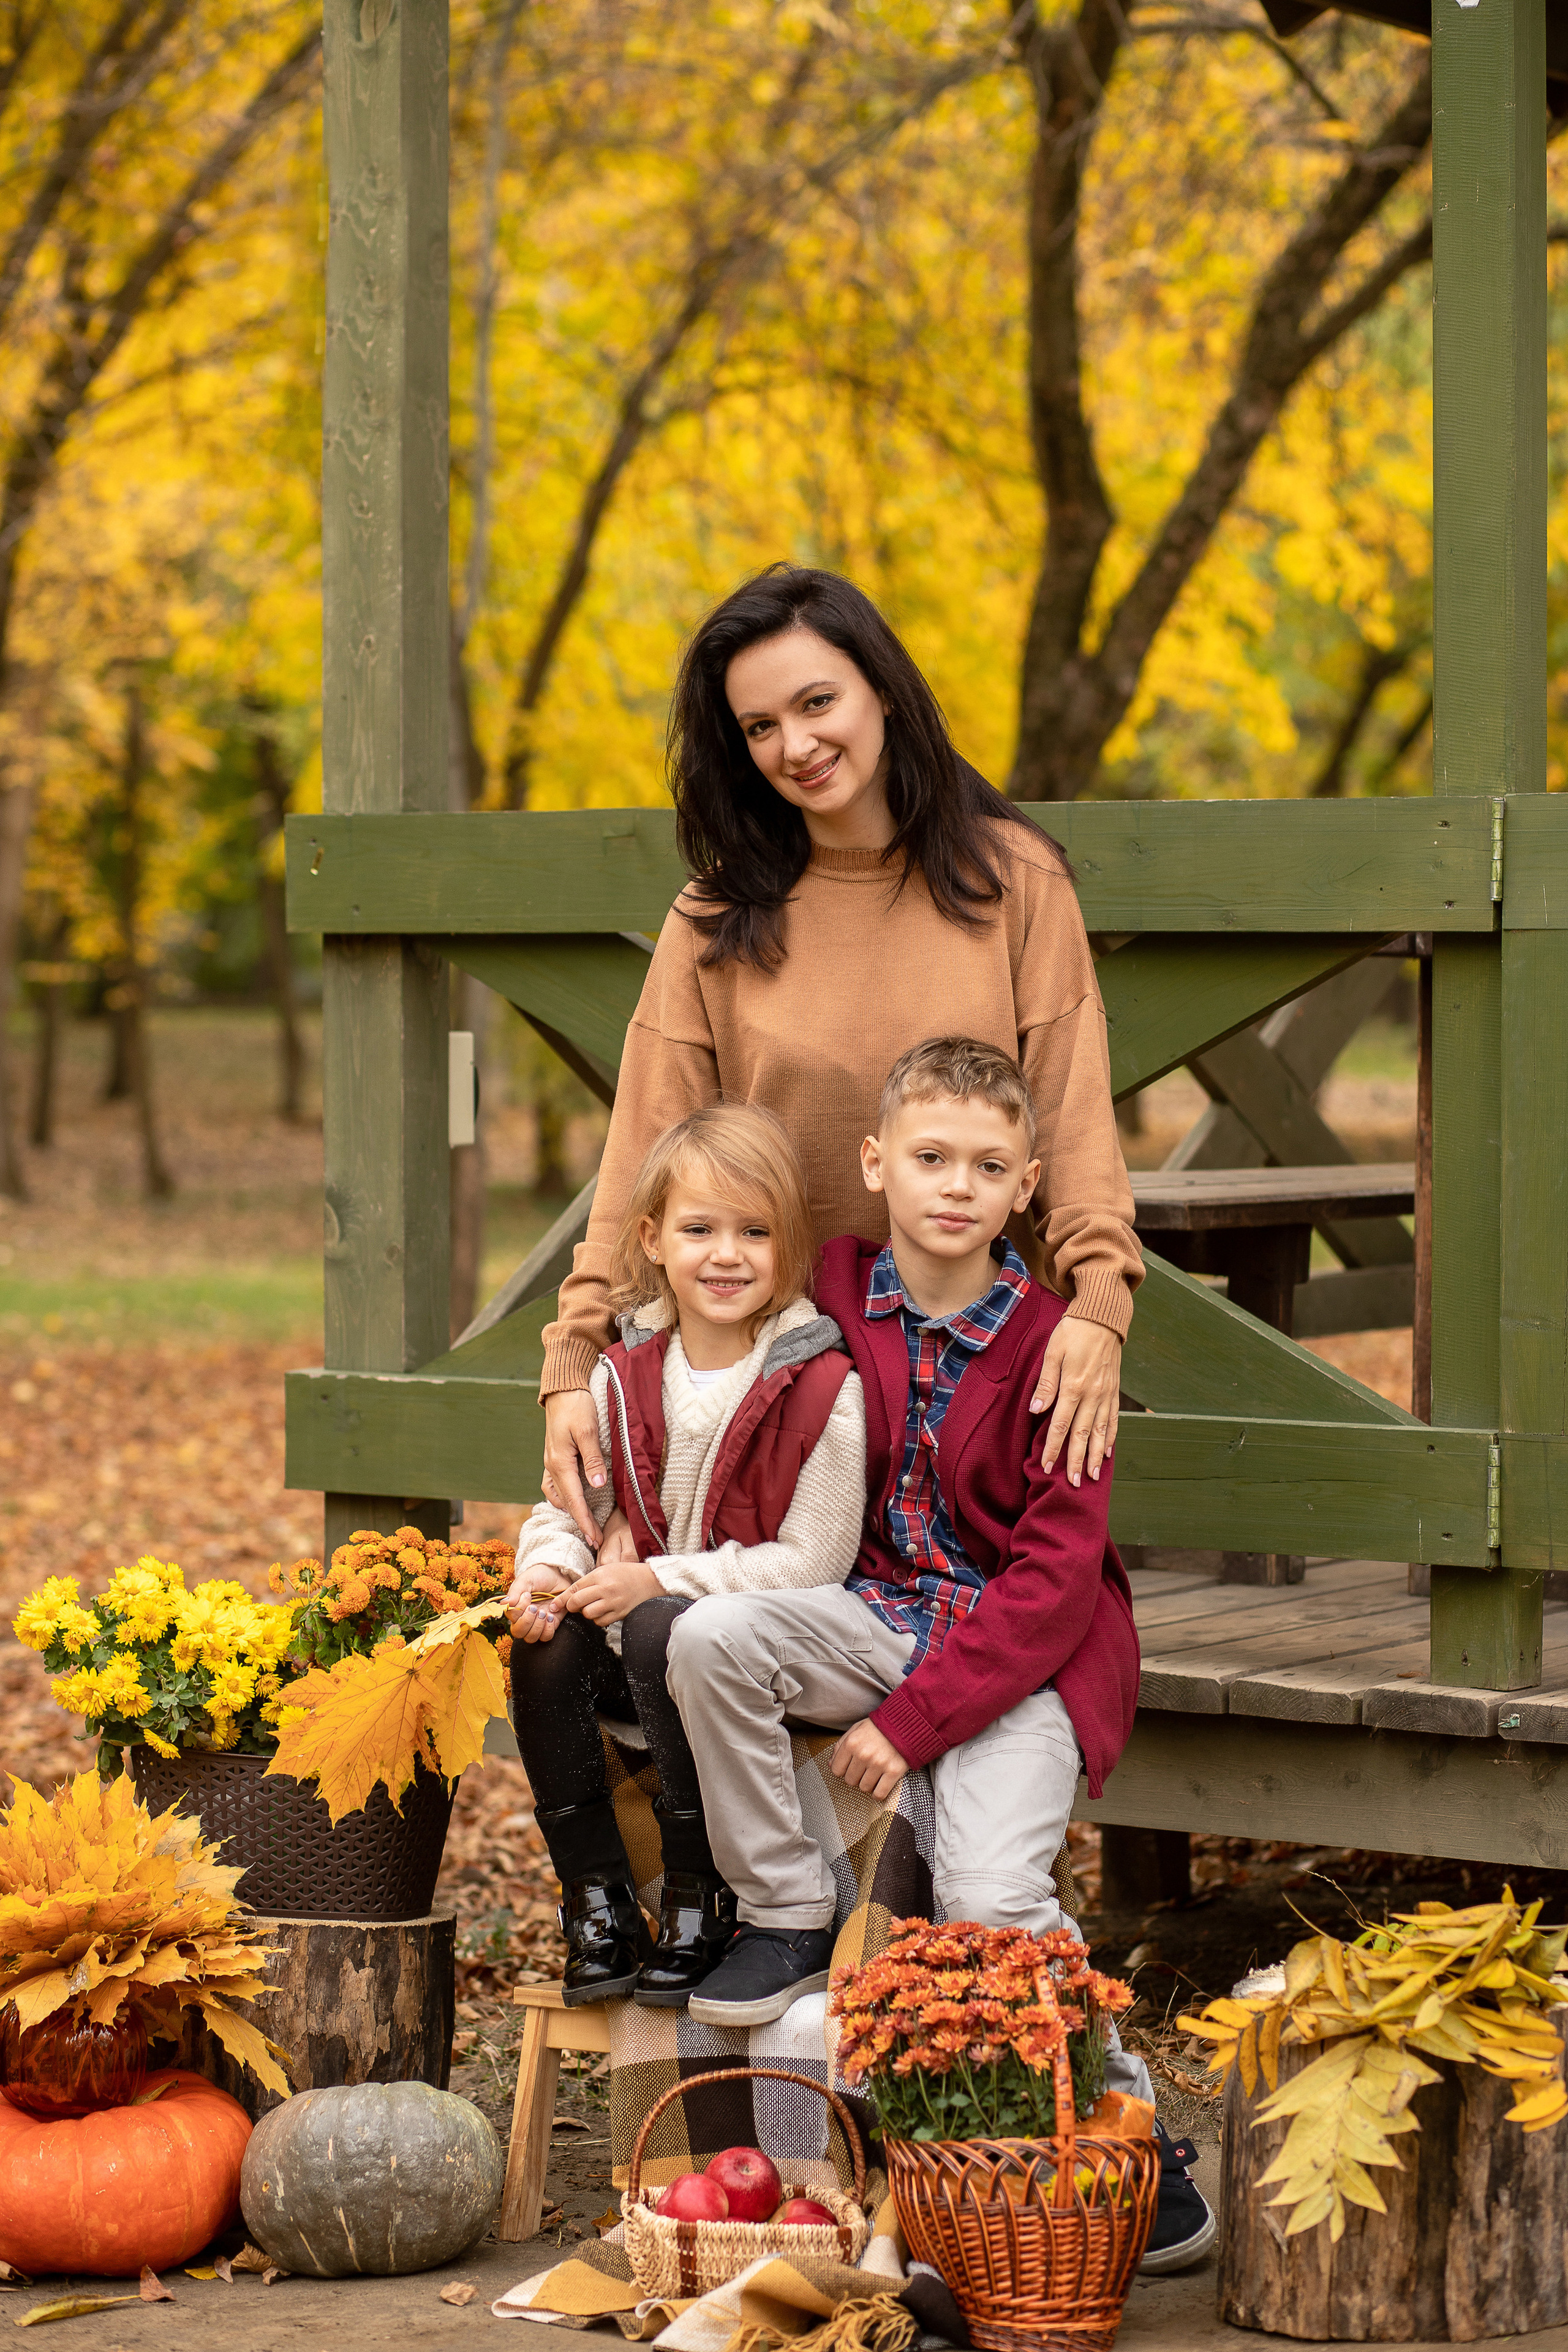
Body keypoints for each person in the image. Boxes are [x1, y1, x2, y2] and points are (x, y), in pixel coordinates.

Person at [662, 1039, 1216, 2272]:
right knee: (709, 1640)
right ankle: (788, 1906)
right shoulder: (833, 1286)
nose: (953, 1187)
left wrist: (909, 1728)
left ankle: (1131, 2124)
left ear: (1024, 1186)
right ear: (875, 1167)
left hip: (1020, 1655)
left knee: (990, 1901)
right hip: (863, 1613)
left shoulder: (1054, 1350)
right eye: (927, 1159)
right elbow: (693, 1277)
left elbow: (1052, 1583)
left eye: (985, 1166)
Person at [539, 565, 1140, 1559]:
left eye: (818, 702)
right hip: (774, 1386)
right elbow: (645, 1155)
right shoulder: (715, 919)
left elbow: (1073, 1125)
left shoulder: (1016, 884)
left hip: (962, 1379)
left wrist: (1101, 1307)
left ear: (883, 690)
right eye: (760, 727)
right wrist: (574, 1358)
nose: (797, 746)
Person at [506, 1102, 867, 2011]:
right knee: (545, 1646)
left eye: (756, 1232)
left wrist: (657, 1578)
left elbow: (814, 1561)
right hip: (635, 1648)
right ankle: (596, 1901)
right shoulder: (619, 1374)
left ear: (790, 1248)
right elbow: (566, 1511)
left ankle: (698, 1896)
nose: (727, 1254)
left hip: (732, 1658)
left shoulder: (823, 1385)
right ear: (652, 1239)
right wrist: (548, 1572)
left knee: (668, 1622)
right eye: (699, 1229)